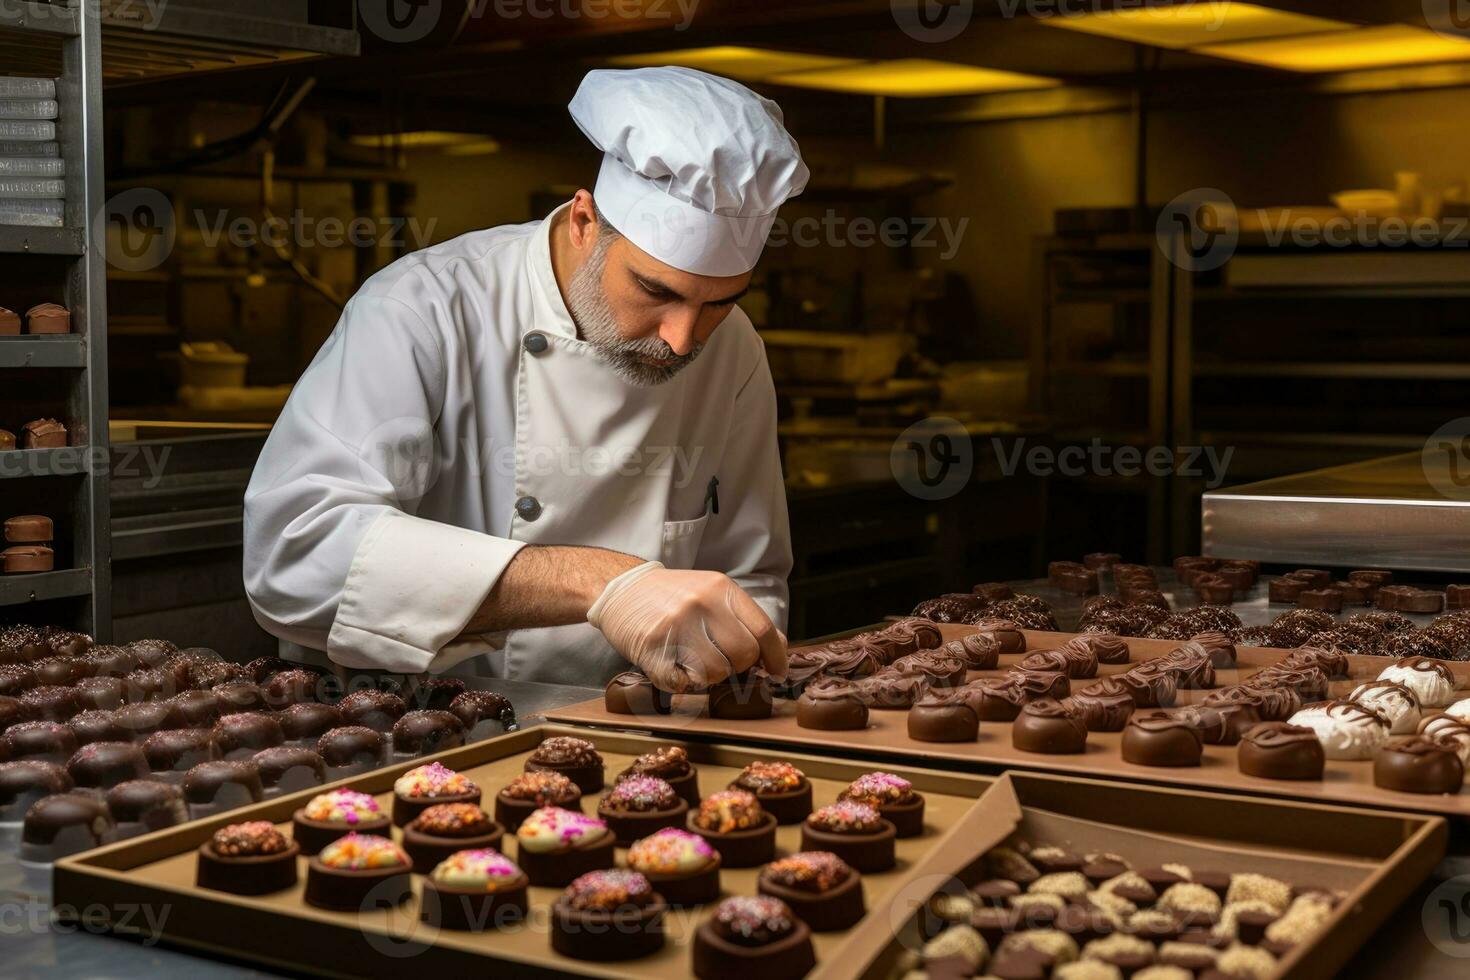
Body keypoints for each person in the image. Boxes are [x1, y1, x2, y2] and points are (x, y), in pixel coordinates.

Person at [242, 67, 808, 692]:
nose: (681, 339)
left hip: (626, 738)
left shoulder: (733, 349)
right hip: (414, 729)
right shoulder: (425, 306)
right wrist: (601, 582)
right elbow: (296, 557)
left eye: (719, 302)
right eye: (655, 290)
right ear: (584, 223)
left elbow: (745, 580)